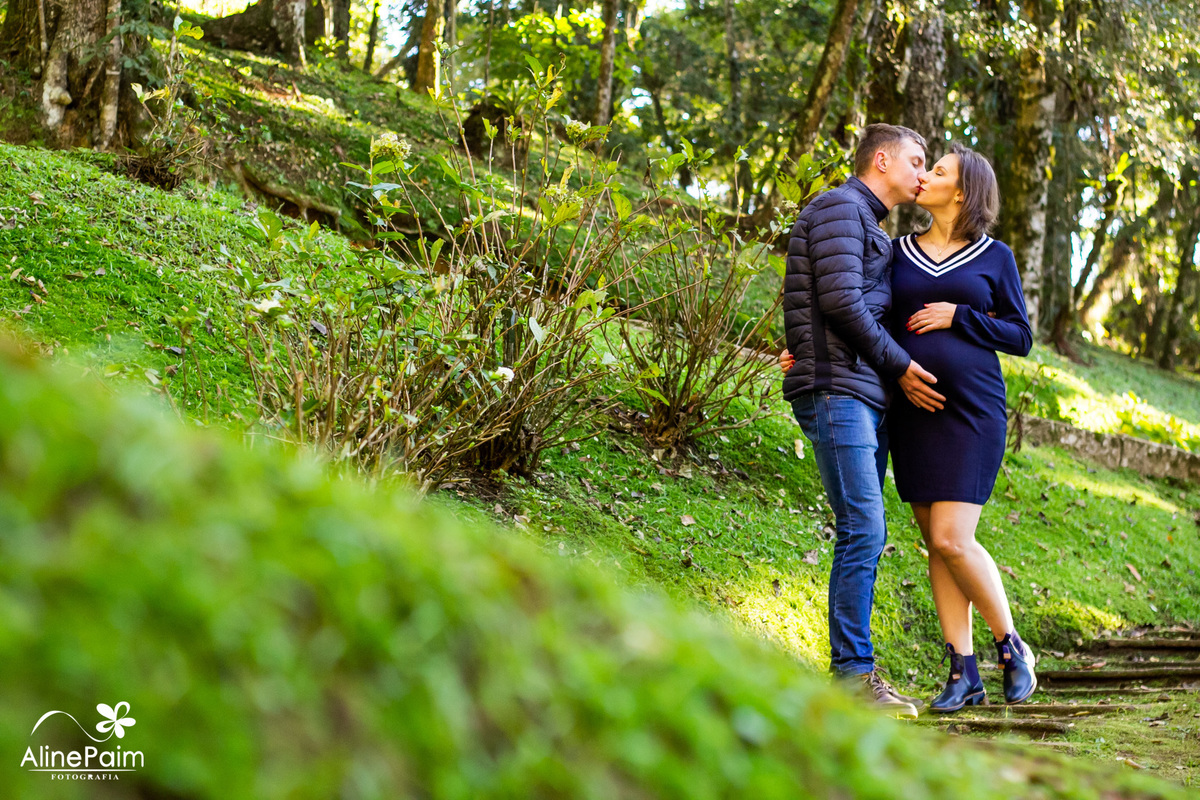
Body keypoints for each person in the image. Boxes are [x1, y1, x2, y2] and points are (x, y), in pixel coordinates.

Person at [780, 123, 945, 719]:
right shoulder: (838, 208)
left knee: (866, 534)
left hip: (858, 392)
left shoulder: (863, 221)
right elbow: (840, 302)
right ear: (882, 159)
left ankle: (855, 674)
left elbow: (815, 300)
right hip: (838, 393)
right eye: (917, 161)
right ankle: (852, 677)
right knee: (864, 530)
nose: (924, 174)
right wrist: (901, 366)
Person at [887, 143, 1036, 710]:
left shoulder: (995, 257)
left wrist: (960, 316)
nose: (925, 176)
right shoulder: (898, 250)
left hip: (972, 410)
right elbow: (872, 314)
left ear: (964, 191)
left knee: (953, 536)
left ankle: (1011, 647)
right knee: (935, 545)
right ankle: (962, 671)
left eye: (939, 171)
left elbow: (1020, 335)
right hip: (913, 407)